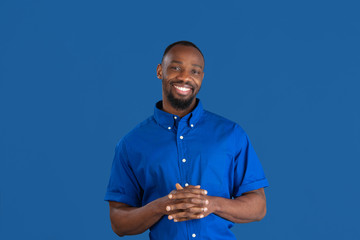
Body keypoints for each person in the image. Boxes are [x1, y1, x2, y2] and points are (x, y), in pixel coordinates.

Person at [104, 41, 269, 239]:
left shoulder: (231, 134)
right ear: (159, 71)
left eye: (195, 71)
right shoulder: (131, 144)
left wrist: (212, 204)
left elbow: (258, 206)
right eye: (176, 68)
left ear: (202, 78)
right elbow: (118, 221)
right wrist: (161, 206)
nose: (185, 77)